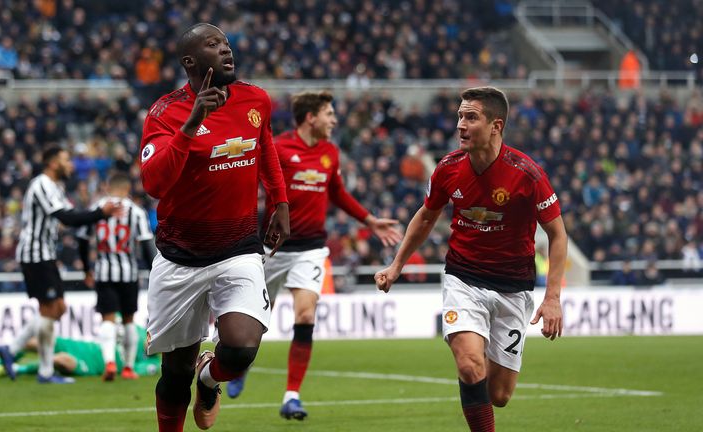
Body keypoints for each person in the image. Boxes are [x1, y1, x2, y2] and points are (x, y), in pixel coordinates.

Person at [375, 87, 567, 432]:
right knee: (469, 365)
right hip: (463, 279)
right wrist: (396, 264)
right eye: (460, 116)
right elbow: (426, 216)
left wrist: (552, 298)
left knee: (499, 394)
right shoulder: (448, 168)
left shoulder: (527, 173)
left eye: (471, 117)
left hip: (513, 288)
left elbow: (557, 234)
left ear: (496, 125)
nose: (461, 125)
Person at [139, 23, 290, 431]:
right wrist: (191, 125)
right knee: (174, 374)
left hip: (238, 248)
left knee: (240, 350)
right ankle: (192, 382)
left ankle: (211, 379)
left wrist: (280, 201)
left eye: (225, 42)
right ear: (190, 61)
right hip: (180, 258)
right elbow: (154, 184)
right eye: (213, 44)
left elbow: (265, 149)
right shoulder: (165, 112)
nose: (226, 49)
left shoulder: (255, 99)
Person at [225, 91, 403, 420]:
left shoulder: (330, 153)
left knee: (305, 316)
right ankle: (240, 365)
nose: (334, 120)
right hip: (271, 249)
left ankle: (291, 396)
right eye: (329, 114)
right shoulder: (278, 148)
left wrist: (369, 220)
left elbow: (337, 192)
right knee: (253, 325)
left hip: (311, 249)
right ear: (311, 117)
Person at [0, 146, 123, 384]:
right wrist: (99, 213)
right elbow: (65, 217)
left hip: (44, 254)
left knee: (59, 308)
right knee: (50, 309)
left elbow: (69, 215)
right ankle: (43, 370)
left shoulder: (56, 186)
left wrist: (95, 214)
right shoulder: (42, 184)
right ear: (53, 163)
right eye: (67, 160)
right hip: (34, 254)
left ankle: (12, 349)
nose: (71, 165)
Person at [77, 172, 156, 381]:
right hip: (128, 273)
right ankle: (128, 368)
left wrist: (86, 269)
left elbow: (82, 241)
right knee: (129, 320)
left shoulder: (97, 208)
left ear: (107, 187)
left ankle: (110, 363)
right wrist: (154, 273)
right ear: (127, 189)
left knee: (108, 318)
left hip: (104, 272)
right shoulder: (136, 211)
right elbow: (147, 245)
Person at [0, 324, 160, 379]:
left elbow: (134, 371)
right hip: (85, 347)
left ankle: (16, 369)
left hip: (93, 366)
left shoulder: (152, 363)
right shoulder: (136, 331)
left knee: (61, 361)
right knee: (36, 340)